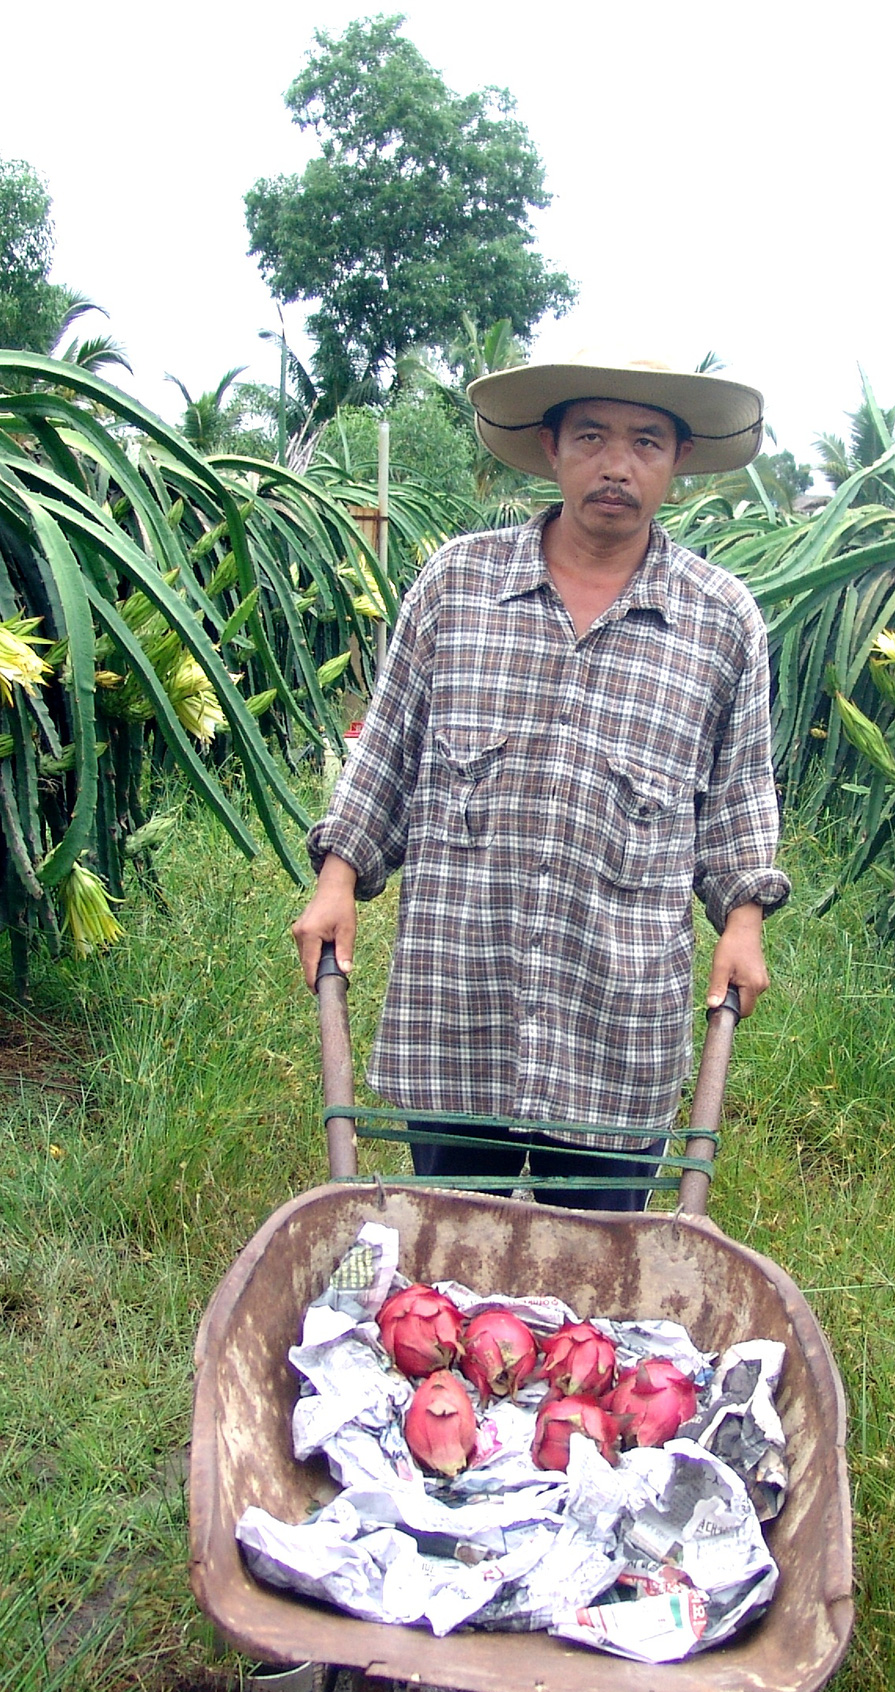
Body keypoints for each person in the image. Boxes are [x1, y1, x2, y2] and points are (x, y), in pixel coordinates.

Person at [291, 357, 787, 1211]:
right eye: (592, 437)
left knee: (597, 1289)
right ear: (552, 446)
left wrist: (742, 924)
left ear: (679, 459)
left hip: (615, 1011)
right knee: (444, 1262)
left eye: (646, 442)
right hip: (461, 995)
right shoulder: (457, 584)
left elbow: (740, 797)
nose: (617, 465)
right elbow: (388, 753)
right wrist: (339, 877)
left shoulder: (721, 620)